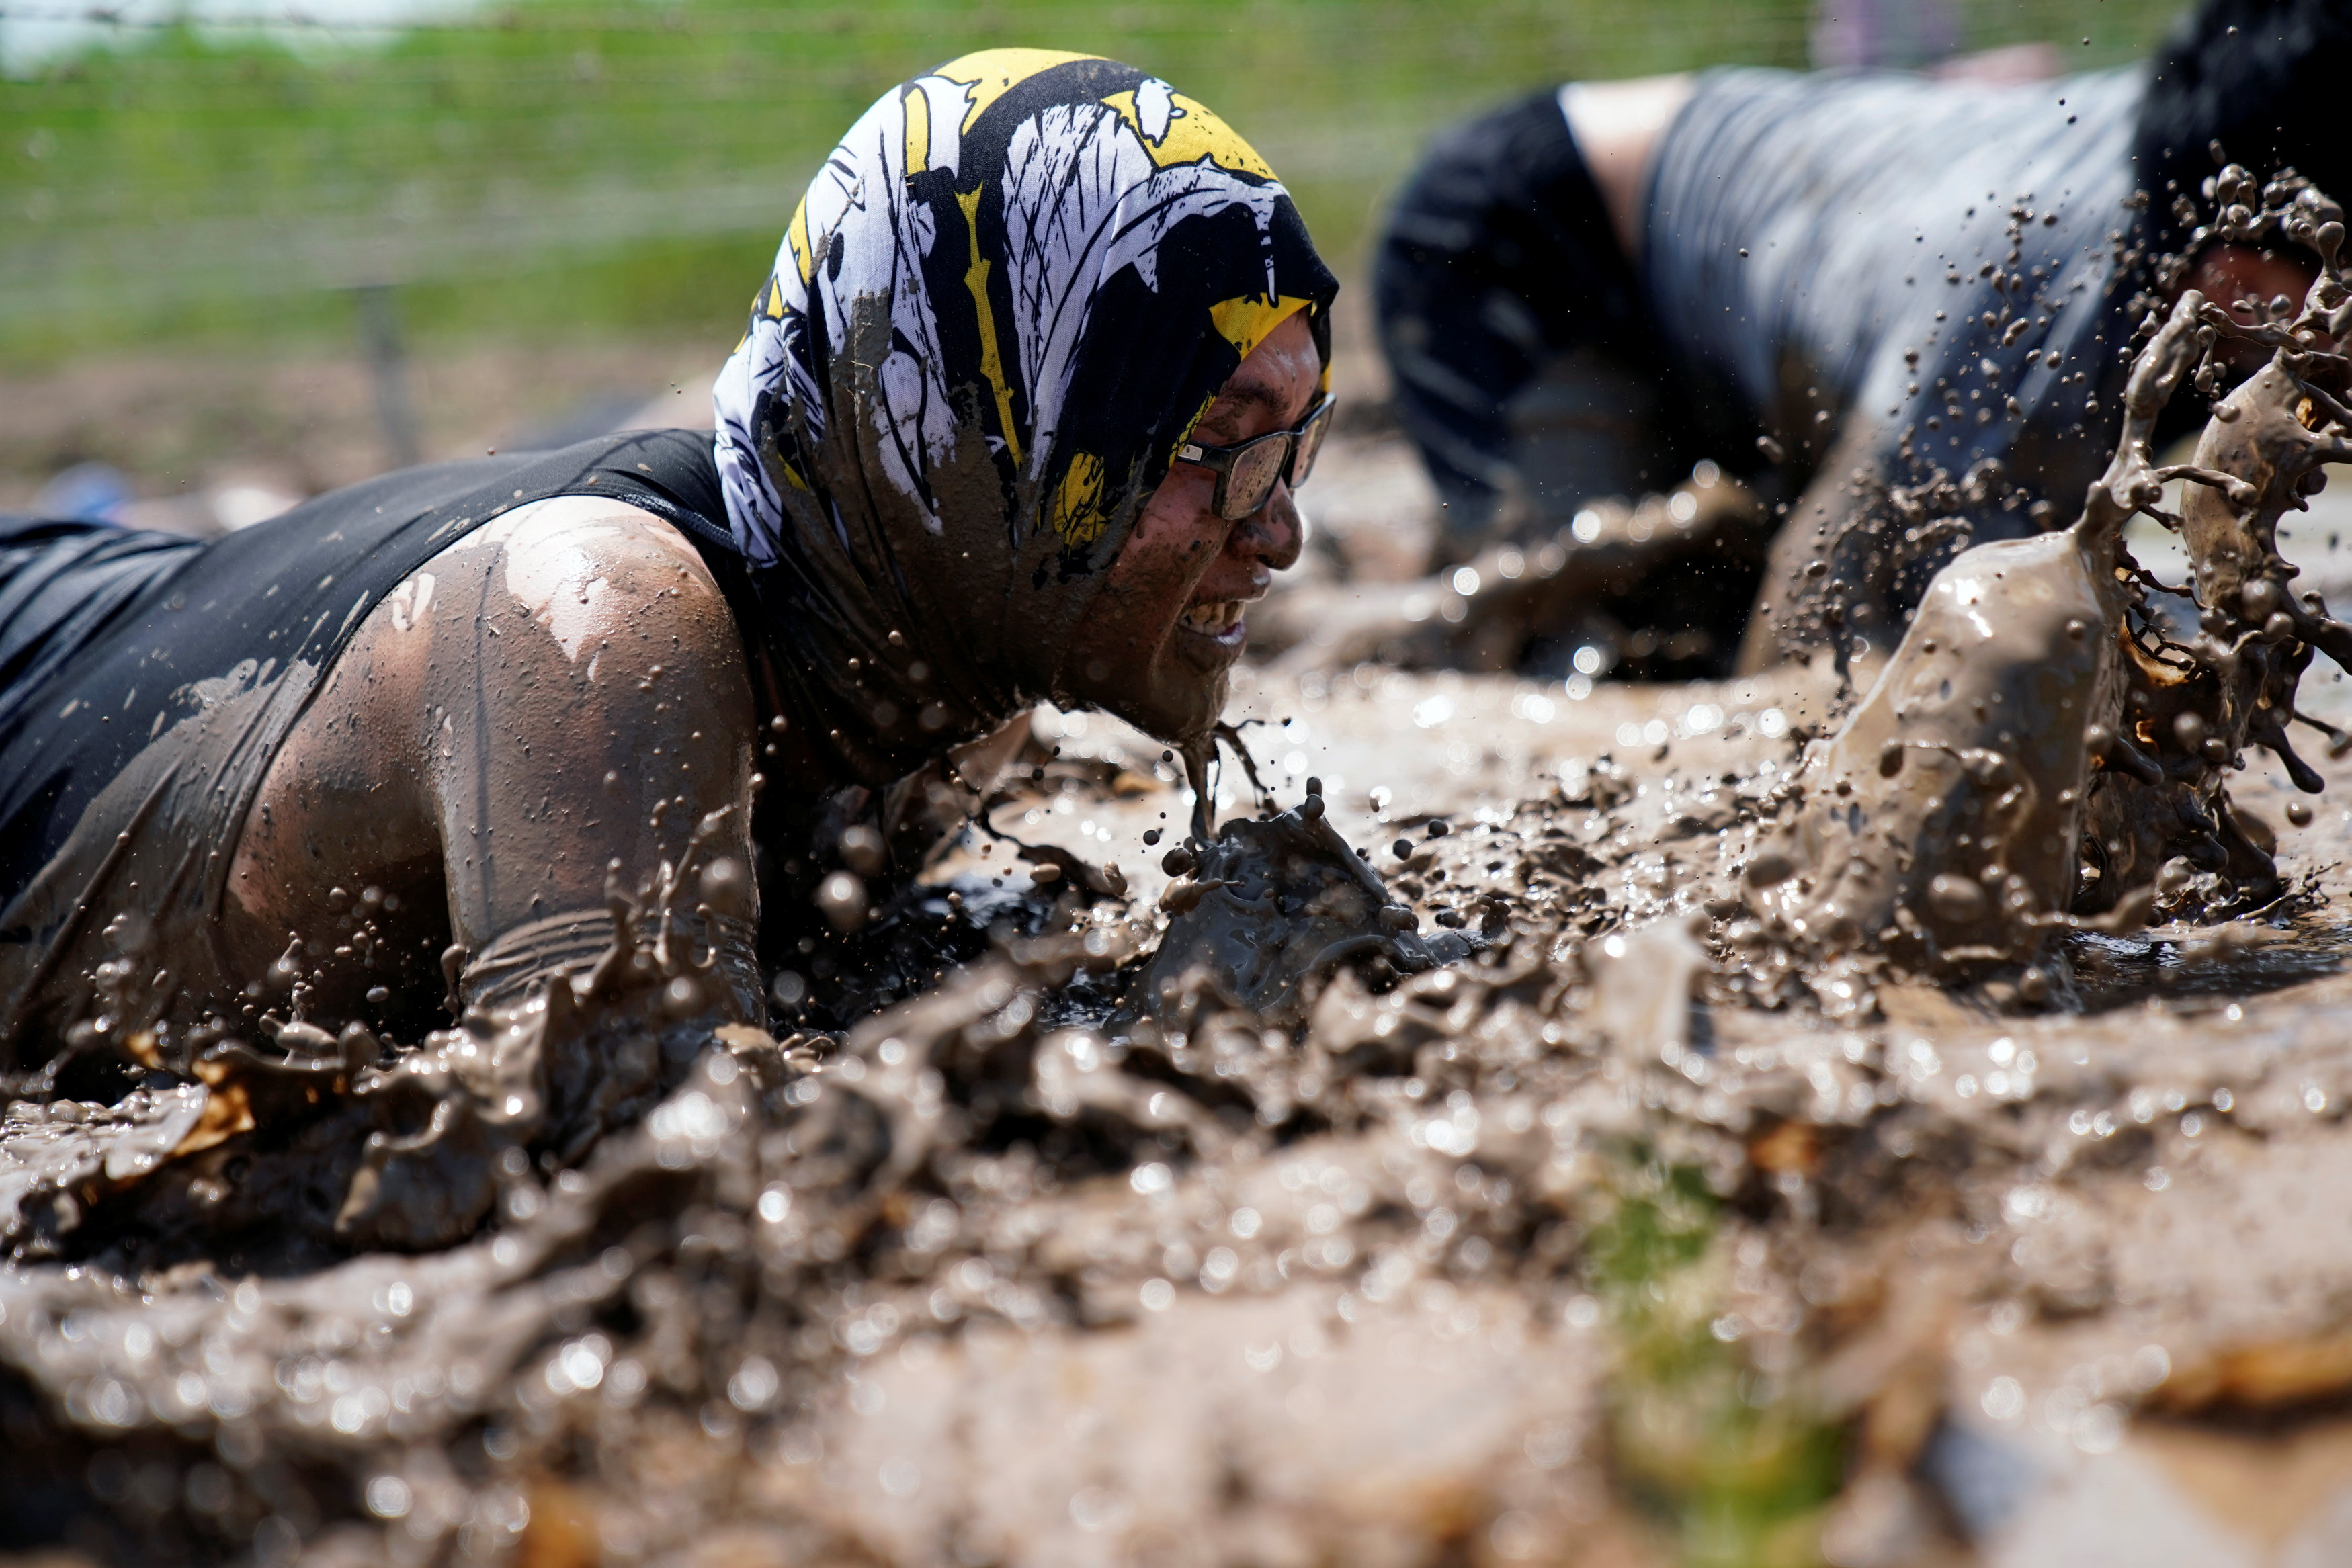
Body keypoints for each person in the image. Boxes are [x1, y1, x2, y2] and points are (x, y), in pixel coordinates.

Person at [0, 50, 1337, 1089]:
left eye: (1298, 442)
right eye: (1210, 445)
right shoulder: (595, 632)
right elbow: (659, 1179)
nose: (1279, 533)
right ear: (967, 437)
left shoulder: (957, 666)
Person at [1369, 0, 2350, 676]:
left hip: (1750, 283)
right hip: (1536, 244)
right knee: (1595, 669)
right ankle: (1361, 642)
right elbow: (1804, 650)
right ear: (2241, 279)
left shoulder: (2243, 142)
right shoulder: (2030, 344)